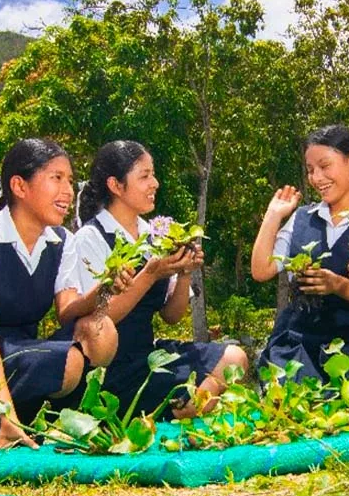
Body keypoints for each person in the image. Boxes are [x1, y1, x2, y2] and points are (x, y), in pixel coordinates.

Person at [0, 137, 118, 450]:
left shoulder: (61, 241)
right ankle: (2, 425)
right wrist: (6, 415)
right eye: (56, 178)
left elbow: (68, 310)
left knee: (100, 331)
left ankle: (48, 423)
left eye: (69, 180)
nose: (68, 191)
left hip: (21, 353)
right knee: (67, 361)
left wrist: (105, 290)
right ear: (19, 186)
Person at [74, 139, 249, 419]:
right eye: (144, 176)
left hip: (148, 356)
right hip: (109, 366)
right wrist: (151, 273)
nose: (155, 183)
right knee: (194, 395)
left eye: (153, 174)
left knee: (234, 359)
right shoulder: (90, 238)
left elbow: (172, 316)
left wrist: (184, 272)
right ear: (116, 186)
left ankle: (179, 410)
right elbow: (100, 320)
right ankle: (172, 412)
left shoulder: (153, 235)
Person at [250, 124, 349, 386]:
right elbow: (261, 270)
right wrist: (274, 215)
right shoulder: (302, 219)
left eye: (325, 166)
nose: (317, 178)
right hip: (297, 344)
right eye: (311, 170)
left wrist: (338, 285)